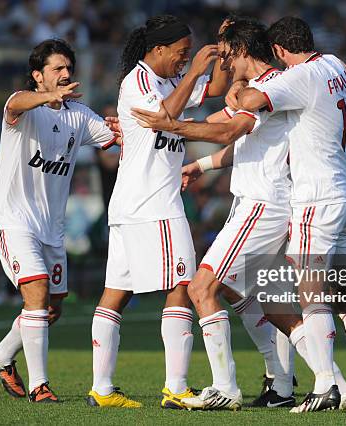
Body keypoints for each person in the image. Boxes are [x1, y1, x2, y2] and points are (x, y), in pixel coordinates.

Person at [131, 17, 346, 412]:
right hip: (268, 202)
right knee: (268, 301)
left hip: (262, 204)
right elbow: (224, 125)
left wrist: (174, 126)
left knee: (202, 288)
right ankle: (334, 383)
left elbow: (226, 132)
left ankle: (226, 387)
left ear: (239, 51)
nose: (222, 63)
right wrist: (174, 141)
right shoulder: (273, 86)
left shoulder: (272, 87)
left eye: (225, 54)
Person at [235, 16, 346, 412]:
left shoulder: (300, 75)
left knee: (310, 293)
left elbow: (251, 102)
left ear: (281, 51)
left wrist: (237, 91)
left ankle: (324, 386)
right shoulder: (334, 64)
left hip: (317, 197)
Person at [87, 14, 228, 409]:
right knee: (182, 286)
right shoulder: (139, 80)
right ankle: (177, 387)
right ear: (159, 49)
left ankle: (101, 388)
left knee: (115, 292)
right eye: (181, 53)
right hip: (154, 204)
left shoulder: (167, 79)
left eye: (188, 54)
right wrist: (194, 70)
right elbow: (165, 116)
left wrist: (218, 49)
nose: (185, 60)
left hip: (131, 204)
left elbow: (215, 87)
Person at [0, 38, 119, 404]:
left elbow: (116, 138)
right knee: (37, 291)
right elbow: (14, 103)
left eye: (68, 69)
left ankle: (0, 357)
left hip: (51, 230)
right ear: (37, 75)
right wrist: (44, 98)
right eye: (57, 69)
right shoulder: (26, 107)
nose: (65, 75)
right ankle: (40, 385)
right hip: (13, 220)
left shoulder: (78, 115)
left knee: (50, 308)